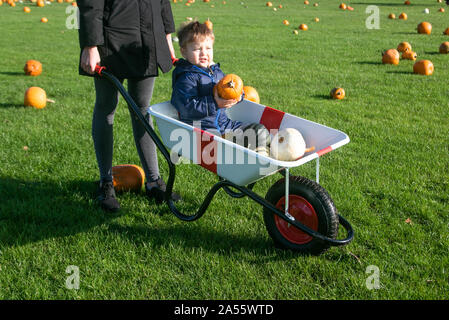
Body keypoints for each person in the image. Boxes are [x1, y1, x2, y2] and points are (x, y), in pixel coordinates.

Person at [77, 0, 180, 212]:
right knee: (106, 108)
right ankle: (106, 182)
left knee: (142, 109)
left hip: (147, 38)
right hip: (109, 38)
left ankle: (153, 180)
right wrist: (90, 44)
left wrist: (166, 35)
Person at [171, 21, 270, 156]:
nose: (203, 53)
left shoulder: (216, 72)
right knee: (248, 140)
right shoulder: (186, 78)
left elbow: (228, 94)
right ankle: (259, 157)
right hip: (205, 133)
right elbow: (185, 107)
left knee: (259, 130)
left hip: (225, 126)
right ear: (184, 52)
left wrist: (237, 96)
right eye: (197, 49)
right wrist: (214, 103)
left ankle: (263, 152)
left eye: (208, 48)